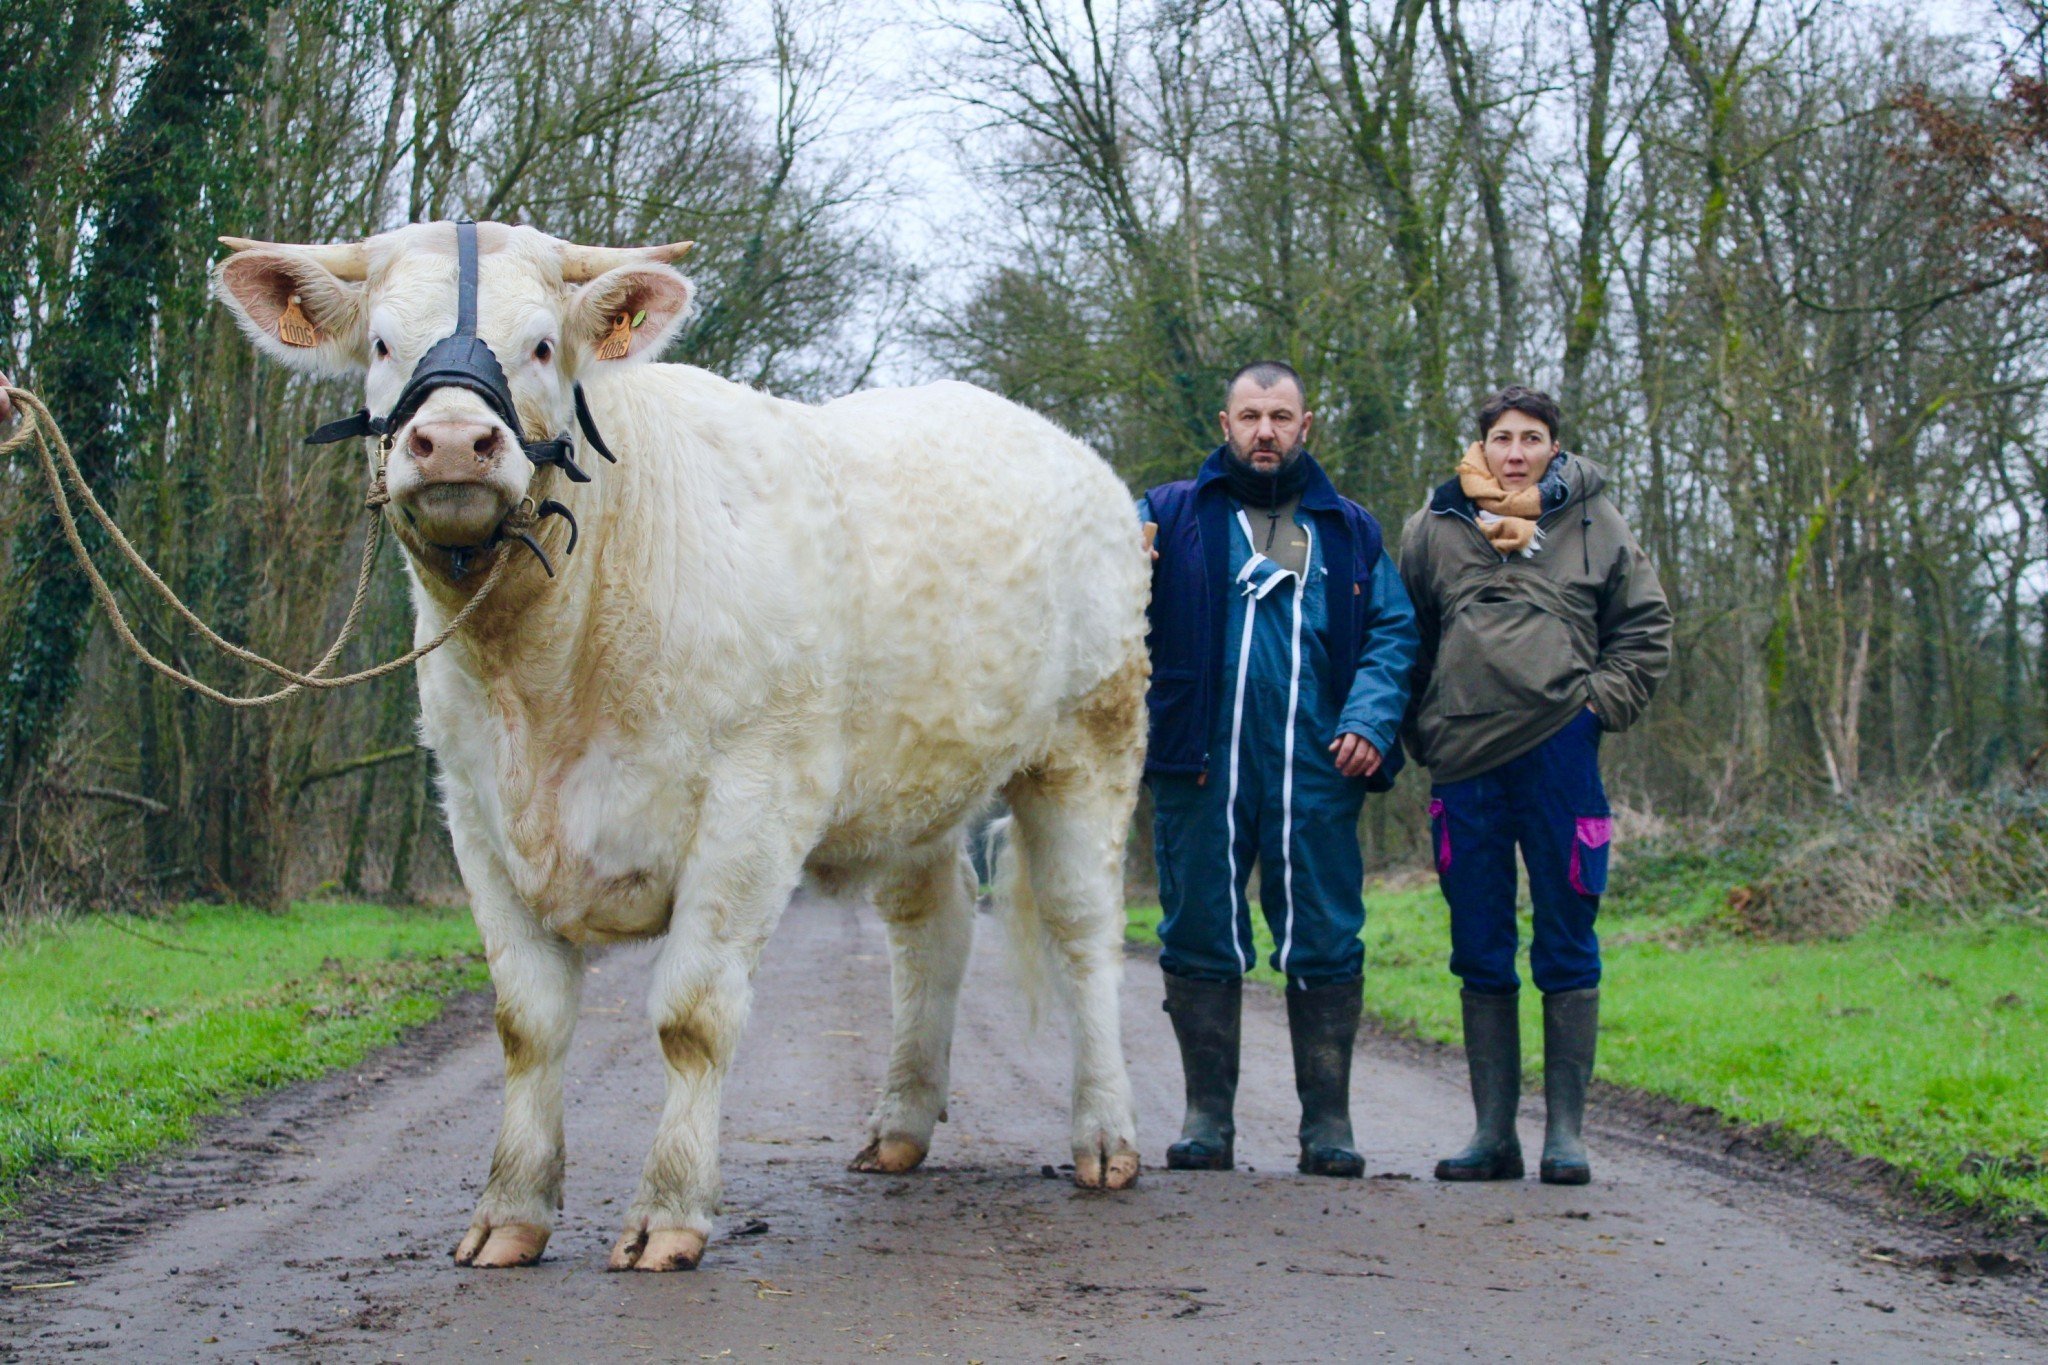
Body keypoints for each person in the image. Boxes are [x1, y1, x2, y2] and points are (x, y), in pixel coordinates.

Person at [1138, 360, 1418, 1178]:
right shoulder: (1168, 515)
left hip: (1317, 764)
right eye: (1251, 415)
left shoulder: (1351, 529)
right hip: (1197, 762)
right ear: (1223, 424)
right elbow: (1104, 599)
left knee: (1325, 933)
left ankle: (1327, 1124)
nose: (1267, 431)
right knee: (1198, 927)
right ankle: (1206, 1119)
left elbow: (1394, 634)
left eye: (1282, 416)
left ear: (1307, 428)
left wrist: (1369, 718)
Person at [1399, 385, 1671, 1186]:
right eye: (1502, 438)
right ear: (1479, 447)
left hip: (1561, 755)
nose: (1515, 451)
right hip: (1465, 763)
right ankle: (1492, 1134)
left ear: (1556, 446)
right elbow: (1403, 639)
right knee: (1479, 944)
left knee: (1566, 937)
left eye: (1533, 437)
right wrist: (1423, 731)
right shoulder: (1435, 528)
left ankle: (1565, 1136)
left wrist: (1594, 710)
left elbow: (1646, 631)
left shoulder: (1597, 522)